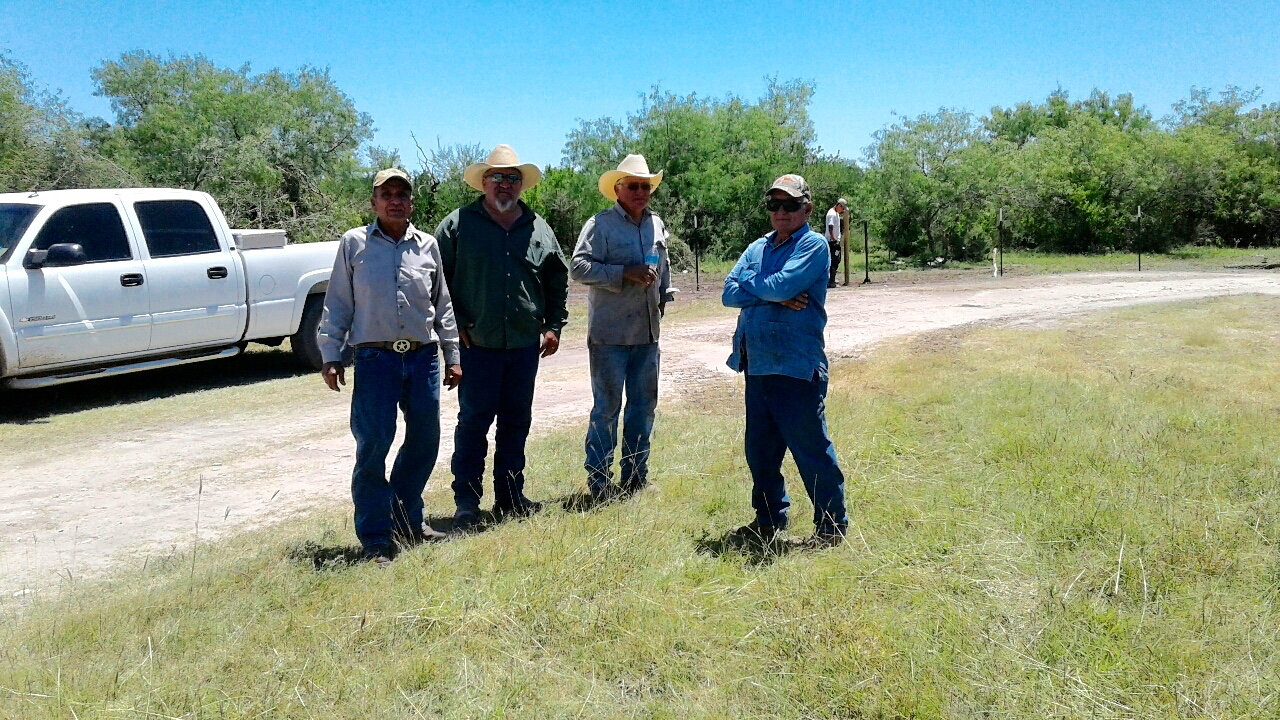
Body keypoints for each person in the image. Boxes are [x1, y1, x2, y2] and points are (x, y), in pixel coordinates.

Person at [317, 168, 462, 565]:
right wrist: (331, 354)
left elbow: (442, 305)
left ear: (412, 202)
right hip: (374, 358)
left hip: (422, 358)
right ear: (374, 202)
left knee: (424, 441)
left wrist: (452, 355)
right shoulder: (354, 244)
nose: (395, 200)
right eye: (387, 193)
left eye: (403, 193)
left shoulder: (427, 246)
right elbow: (338, 303)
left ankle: (407, 520)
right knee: (374, 444)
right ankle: (377, 537)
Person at [434, 145, 569, 530]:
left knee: (516, 422)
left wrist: (553, 325)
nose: (505, 185)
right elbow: (435, 279)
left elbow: (557, 277)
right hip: (478, 346)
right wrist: (453, 321)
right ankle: (467, 503)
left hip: (525, 345)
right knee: (473, 423)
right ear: (484, 182)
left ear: (521, 185)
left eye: (513, 178)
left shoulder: (538, 226)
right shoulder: (458, 224)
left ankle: (511, 496)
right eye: (498, 177)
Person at [722, 174, 849, 549]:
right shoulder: (758, 248)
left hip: (795, 365)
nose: (780, 212)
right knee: (759, 453)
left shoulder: (813, 246)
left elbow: (777, 285)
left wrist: (764, 288)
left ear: (807, 209)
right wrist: (773, 294)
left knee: (810, 450)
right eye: (773, 205)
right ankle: (769, 519)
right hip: (757, 363)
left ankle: (831, 527)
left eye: (789, 205)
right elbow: (729, 293)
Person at [570, 154, 674, 503]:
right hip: (609, 335)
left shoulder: (656, 225)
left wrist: (663, 296)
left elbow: (664, 266)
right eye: (633, 186)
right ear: (617, 189)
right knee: (607, 408)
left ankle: (635, 477)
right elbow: (579, 267)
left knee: (643, 407)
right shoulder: (599, 225)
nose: (640, 192)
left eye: (645, 186)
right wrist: (622, 272)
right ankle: (599, 482)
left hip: (647, 334)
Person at [824, 198, 847, 288]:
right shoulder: (832, 214)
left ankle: (831, 279)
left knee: (836, 260)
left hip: (833, 241)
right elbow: (830, 227)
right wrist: (833, 239)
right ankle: (831, 282)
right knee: (834, 261)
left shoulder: (835, 213)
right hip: (832, 242)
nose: (842, 210)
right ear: (838, 205)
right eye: (842, 208)